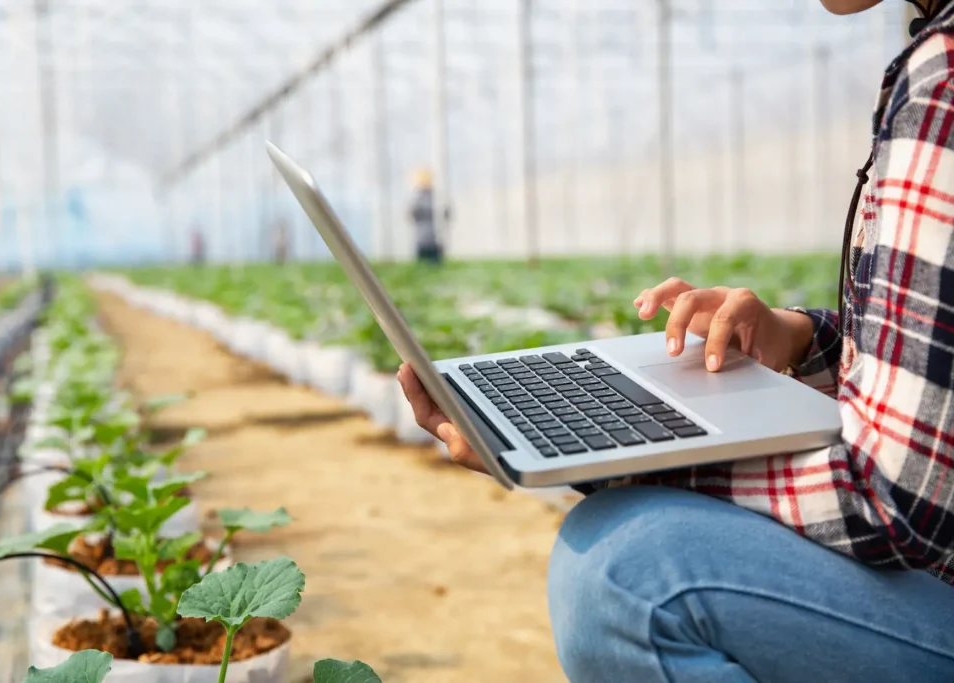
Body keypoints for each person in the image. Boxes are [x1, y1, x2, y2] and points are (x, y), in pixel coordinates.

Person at [397, 1, 954, 680]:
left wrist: (615, 452)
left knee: (625, 573)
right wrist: (799, 337)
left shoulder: (942, 80)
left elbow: (895, 504)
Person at [408, 168, 447, 264]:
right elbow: (412, 214)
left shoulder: (437, 197)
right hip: (422, 239)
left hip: (435, 239)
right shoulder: (416, 198)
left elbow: (446, 213)